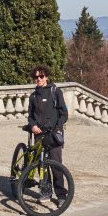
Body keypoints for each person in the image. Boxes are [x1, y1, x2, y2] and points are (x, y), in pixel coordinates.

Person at [27, 64, 69, 206]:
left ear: (47, 77)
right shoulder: (33, 96)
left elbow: (64, 114)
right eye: (36, 77)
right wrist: (33, 125)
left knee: (56, 165)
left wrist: (57, 127)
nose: (39, 79)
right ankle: (46, 191)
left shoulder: (55, 91)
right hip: (39, 134)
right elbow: (30, 115)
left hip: (54, 134)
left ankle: (61, 195)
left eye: (41, 76)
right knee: (41, 165)